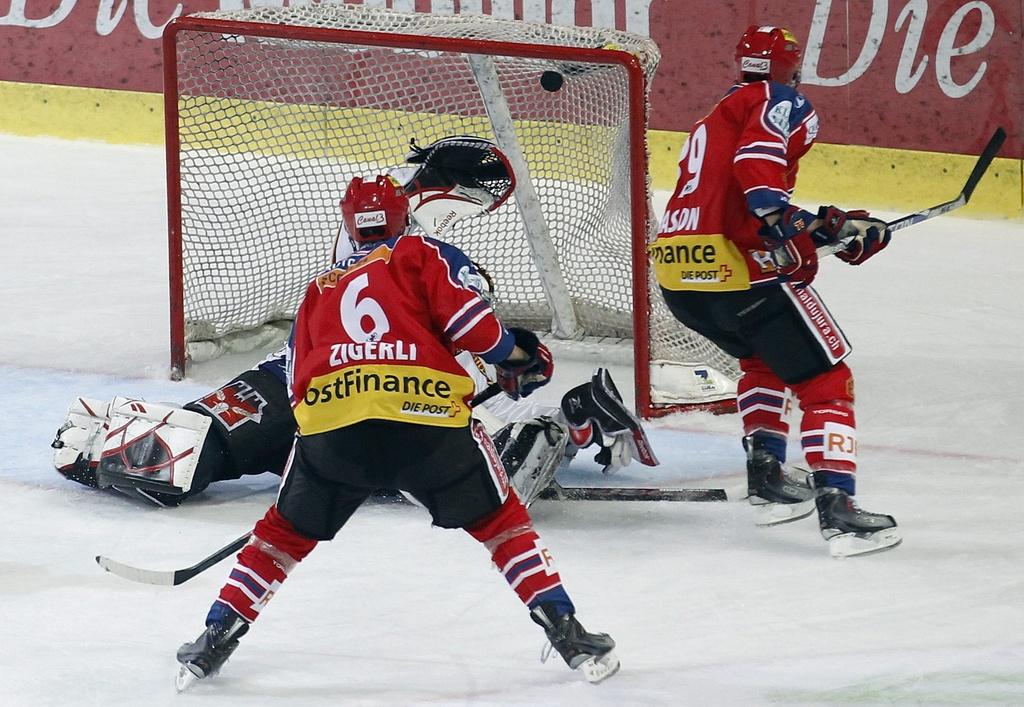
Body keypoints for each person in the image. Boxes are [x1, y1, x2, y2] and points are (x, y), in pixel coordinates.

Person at [174, 174, 620, 689]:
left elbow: (296, 383)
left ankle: (212, 640)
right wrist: (521, 357)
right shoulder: (423, 253)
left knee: (281, 535)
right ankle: (567, 632)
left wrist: (325, 444)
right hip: (428, 426)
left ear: (350, 228)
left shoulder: (319, 289)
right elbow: (478, 333)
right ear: (403, 217)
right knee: (502, 526)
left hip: (332, 430)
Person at [50, 136, 657, 509]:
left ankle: (554, 428)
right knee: (195, 451)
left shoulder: (374, 259)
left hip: (317, 385)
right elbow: (478, 349)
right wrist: (521, 361)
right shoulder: (431, 258)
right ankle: (563, 424)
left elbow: (467, 338)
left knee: (194, 450)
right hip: (374, 398)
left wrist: (510, 363)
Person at [651, 25, 901, 558]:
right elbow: (758, 179)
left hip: (679, 277)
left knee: (763, 361)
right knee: (826, 379)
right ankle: (839, 509)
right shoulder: (776, 99)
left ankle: (767, 481)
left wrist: (821, 230)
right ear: (791, 65)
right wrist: (795, 224)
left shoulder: (717, 113)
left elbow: (735, 194)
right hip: (739, 272)